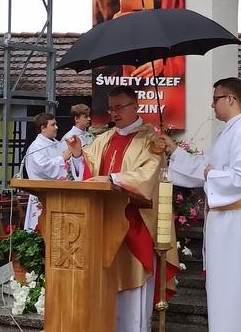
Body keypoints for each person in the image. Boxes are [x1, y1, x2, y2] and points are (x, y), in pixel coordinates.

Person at [159, 77, 241, 332]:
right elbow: (208, 167)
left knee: (236, 289)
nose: (212, 105)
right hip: (223, 221)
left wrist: (211, 175)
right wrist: (175, 151)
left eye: (216, 98)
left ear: (230, 99)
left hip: (235, 223)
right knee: (222, 289)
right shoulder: (230, 132)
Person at [65, 86, 178, 332]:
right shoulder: (104, 138)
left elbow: (148, 176)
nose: (114, 114)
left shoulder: (151, 140)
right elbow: (90, 169)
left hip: (135, 226)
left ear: (135, 107)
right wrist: (77, 156)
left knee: (132, 300)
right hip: (106, 226)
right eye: (111, 109)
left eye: (119, 108)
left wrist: (113, 179)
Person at [23, 113, 73, 230]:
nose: (56, 127)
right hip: (41, 194)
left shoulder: (56, 143)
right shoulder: (37, 146)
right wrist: (62, 159)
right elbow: (43, 167)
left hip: (56, 194)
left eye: (56, 124)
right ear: (43, 128)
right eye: (53, 124)